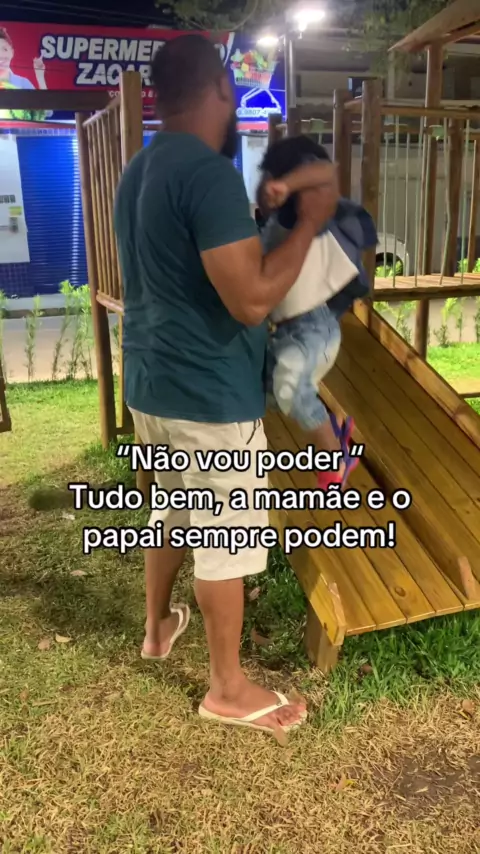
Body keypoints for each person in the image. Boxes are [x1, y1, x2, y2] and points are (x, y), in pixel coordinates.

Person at [114, 35, 339, 737]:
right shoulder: (208, 175)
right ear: (220, 90)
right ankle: (228, 689)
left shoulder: (139, 169)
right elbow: (250, 300)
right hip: (207, 394)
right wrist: (307, 225)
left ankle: (157, 628)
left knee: (173, 510)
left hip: (150, 385)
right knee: (224, 534)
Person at [257, 136, 378, 489]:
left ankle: (334, 453)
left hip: (312, 330)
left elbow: (325, 171)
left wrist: (288, 184)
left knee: (291, 390)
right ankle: (334, 429)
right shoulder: (272, 223)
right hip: (285, 334)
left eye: (266, 179)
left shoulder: (304, 216)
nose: (261, 188)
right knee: (267, 394)